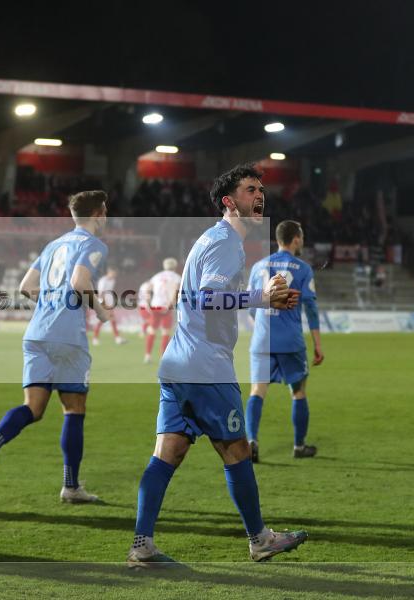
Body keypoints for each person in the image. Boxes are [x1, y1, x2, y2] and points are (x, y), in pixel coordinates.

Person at [127, 164, 307, 566]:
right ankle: (260, 539)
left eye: (260, 189)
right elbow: (207, 299)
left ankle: (142, 545)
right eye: (249, 189)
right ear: (229, 201)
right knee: (237, 450)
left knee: (166, 455)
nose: (259, 196)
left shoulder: (212, 239)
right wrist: (260, 297)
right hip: (206, 368)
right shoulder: (226, 241)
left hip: (178, 363)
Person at [0, 191, 111, 503]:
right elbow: (79, 282)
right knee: (74, 409)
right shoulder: (93, 245)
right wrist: (101, 311)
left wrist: (49, 303)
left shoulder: (53, 245)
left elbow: (24, 287)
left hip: (36, 333)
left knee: (33, 409)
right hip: (67, 336)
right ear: (99, 213)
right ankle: (71, 487)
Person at [246, 220, 323, 462]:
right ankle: (299, 447)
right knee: (298, 391)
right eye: (301, 237)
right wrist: (318, 344)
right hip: (290, 341)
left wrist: (260, 326)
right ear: (296, 239)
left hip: (262, 339)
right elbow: (310, 307)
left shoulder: (259, 266)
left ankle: (251, 442)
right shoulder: (302, 269)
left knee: (257, 390)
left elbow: (251, 306)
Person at [143, 258, 181, 364]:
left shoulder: (157, 276)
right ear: (175, 266)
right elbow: (175, 290)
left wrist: (147, 302)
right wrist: (171, 303)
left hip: (155, 305)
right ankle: (163, 357)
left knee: (151, 330)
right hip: (166, 306)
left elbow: (147, 288)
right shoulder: (177, 277)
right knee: (165, 332)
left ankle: (147, 355)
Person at [92, 266, 126, 345]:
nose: (115, 275)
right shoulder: (103, 281)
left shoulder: (113, 280)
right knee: (104, 320)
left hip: (110, 303)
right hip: (104, 303)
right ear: (109, 272)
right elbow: (100, 293)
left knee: (111, 320)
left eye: (115, 274)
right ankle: (96, 338)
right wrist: (105, 304)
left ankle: (116, 337)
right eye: (113, 273)